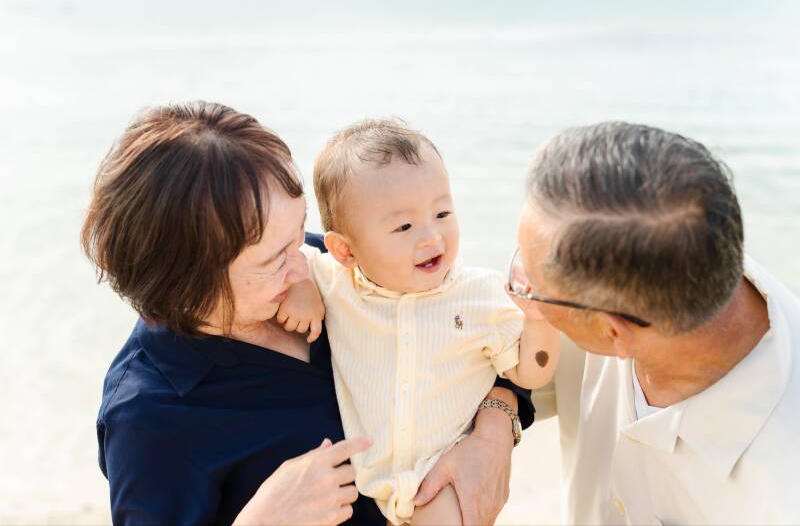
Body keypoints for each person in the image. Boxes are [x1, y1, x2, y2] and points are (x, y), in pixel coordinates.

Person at [80, 101, 535, 525]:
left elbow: (471, 323)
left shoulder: (333, 266)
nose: (303, 262)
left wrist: (495, 427)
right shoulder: (148, 419)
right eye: (274, 259)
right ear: (188, 283)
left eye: (298, 233)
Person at [512, 121, 800, 524]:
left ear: (615, 333)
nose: (515, 289)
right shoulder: (671, 262)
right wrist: (496, 415)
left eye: (531, 286)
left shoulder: (780, 499)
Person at [276, 119, 561, 525]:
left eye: (442, 213)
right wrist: (302, 286)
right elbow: (289, 255)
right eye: (404, 226)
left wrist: (539, 319)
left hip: (442, 474)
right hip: (366, 483)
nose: (431, 237)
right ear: (345, 250)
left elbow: (530, 373)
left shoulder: (479, 295)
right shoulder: (335, 280)